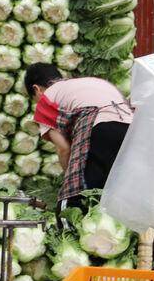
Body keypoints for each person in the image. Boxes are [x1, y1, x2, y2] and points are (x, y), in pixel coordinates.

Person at [25, 63, 133, 205]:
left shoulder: (46, 99)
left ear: (36, 89)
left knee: (79, 199)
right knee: (117, 190)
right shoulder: (89, 82)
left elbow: (63, 148)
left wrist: (69, 178)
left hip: (100, 130)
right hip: (131, 128)